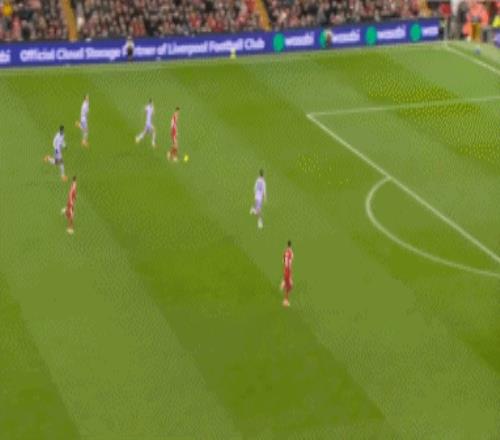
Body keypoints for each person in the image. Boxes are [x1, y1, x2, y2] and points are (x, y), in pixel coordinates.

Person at [280, 240, 294, 307]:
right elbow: (290, 263)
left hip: (285, 269)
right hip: (288, 270)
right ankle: (285, 301)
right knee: (289, 287)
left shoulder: (285, 251)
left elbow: (283, 261)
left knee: (289, 284)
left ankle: (283, 282)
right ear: (291, 245)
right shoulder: (291, 253)